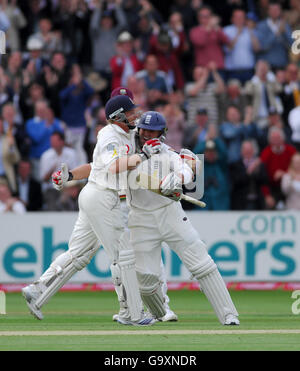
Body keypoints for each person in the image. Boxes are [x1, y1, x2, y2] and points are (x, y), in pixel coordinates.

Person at [22, 95, 157, 326]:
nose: (136, 116)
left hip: (94, 193)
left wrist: (71, 175)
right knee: (122, 255)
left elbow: (96, 167)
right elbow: (114, 166)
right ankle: (132, 314)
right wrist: (142, 156)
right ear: (118, 117)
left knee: (78, 254)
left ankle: (38, 290)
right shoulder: (110, 137)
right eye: (131, 113)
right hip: (103, 198)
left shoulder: (124, 135)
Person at [123, 111, 239, 325]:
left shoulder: (168, 153)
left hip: (170, 213)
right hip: (140, 219)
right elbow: (123, 172)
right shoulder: (127, 153)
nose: (148, 135)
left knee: (202, 263)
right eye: (145, 130)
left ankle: (228, 314)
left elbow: (186, 170)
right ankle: (159, 313)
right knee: (146, 279)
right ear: (138, 130)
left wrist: (176, 178)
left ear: (162, 133)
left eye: (153, 132)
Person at [260, 127, 297, 209]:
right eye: (273, 138)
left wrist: (284, 174)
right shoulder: (266, 154)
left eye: (278, 138)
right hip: (273, 189)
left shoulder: (291, 151)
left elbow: (297, 170)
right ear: (270, 140)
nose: (276, 141)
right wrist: (267, 195)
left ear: (283, 139)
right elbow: (263, 178)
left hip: (290, 187)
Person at [229, 140, 268, 210]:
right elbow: (236, 182)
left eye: (249, 150)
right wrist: (249, 171)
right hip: (241, 203)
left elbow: (264, 180)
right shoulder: (235, 165)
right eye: (246, 150)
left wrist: (257, 170)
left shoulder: (259, 165)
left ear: (253, 151)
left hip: (258, 202)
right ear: (241, 151)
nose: (248, 152)